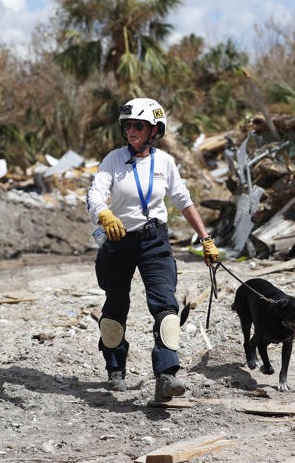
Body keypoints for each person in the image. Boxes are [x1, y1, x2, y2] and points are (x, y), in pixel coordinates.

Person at [86, 97, 220, 402]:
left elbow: (183, 200)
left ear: (154, 130)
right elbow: (94, 194)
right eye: (127, 125)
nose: (131, 130)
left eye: (138, 125)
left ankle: (167, 375)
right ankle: (115, 366)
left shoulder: (165, 163)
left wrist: (205, 239)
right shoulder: (113, 160)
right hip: (117, 240)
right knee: (115, 307)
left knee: (166, 308)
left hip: (154, 242)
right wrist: (103, 214)